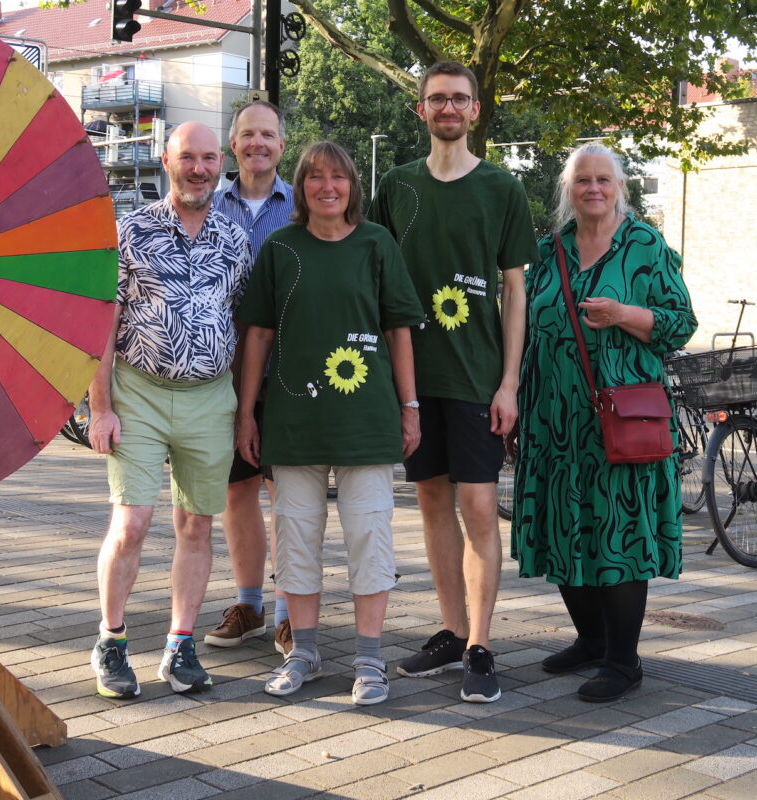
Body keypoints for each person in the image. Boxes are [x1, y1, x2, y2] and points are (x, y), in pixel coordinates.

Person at [370, 61, 539, 704]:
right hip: (415, 378)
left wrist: (509, 384)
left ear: (475, 110)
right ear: (421, 109)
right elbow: (378, 280)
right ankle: (452, 629)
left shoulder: (501, 188)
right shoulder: (396, 185)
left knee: (479, 508)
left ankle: (481, 646)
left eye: (459, 99)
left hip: (476, 378)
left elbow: (515, 293)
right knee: (432, 504)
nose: (448, 108)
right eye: (437, 98)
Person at [235, 141, 425, 705]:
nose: (327, 186)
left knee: (370, 538)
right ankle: (304, 653)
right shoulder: (281, 247)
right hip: (293, 423)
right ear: (300, 187)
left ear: (352, 186)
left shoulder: (377, 243)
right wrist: (246, 414)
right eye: (315, 176)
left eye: (338, 177)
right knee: (295, 538)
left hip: (366, 421)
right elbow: (258, 335)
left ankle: (369, 660)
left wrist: (411, 407)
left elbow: (398, 331)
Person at [511, 143, 696, 703]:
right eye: (582, 180)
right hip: (553, 418)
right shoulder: (548, 251)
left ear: (620, 187)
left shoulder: (644, 246)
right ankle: (591, 641)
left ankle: (623, 660)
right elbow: (522, 324)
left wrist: (622, 314)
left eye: (603, 180)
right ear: (568, 190)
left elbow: (680, 322)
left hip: (621, 417)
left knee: (618, 529)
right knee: (564, 525)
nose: (593, 188)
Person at [88, 122, 251, 699]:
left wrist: (242, 408)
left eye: (208, 158)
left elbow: (241, 323)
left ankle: (180, 646)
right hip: (139, 393)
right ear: (166, 161)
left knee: (197, 525)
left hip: (210, 399)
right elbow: (101, 323)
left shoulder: (235, 240)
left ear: (220, 164)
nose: (198, 169)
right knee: (132, 523)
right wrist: (100, 407)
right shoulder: (130, 231)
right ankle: (111, 640)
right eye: (188, 158)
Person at [205, 100, 295, 656]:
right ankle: (250, 606)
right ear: (232, 144)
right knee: (236, 491)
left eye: (267, 134)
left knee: (287, 493)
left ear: (282, 144)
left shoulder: (304, 206)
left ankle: (289, 612)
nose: (257, 143)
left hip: (288, 370)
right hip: (225, 371)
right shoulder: (208, 207)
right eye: (247, 134)